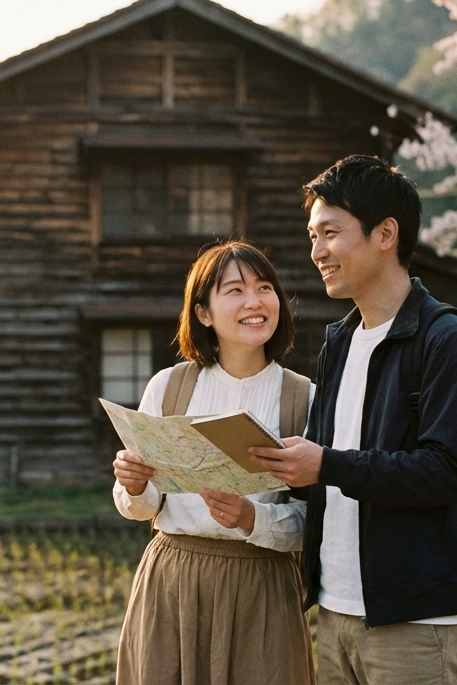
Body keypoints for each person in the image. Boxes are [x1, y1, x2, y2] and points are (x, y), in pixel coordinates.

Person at [250, 155, 457, 685]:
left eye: (330, 234)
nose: (317, 252)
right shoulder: (340, 341)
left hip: (416, 617)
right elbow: (324, 466)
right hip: (335, 609)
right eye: (312, 236)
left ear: (386, 233)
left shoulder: (447, 340)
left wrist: (327, 464)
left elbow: (450, 470)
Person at [112, 240, 315, 685]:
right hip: (173, 579)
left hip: (263, 585)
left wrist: (252, 517)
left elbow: (317, 521)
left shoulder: (303, 397)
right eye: (235, 291)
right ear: (203, 312)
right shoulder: (169, 387)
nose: (254, 302)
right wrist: (132, 484)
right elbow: (144, 507)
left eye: (265, 288)